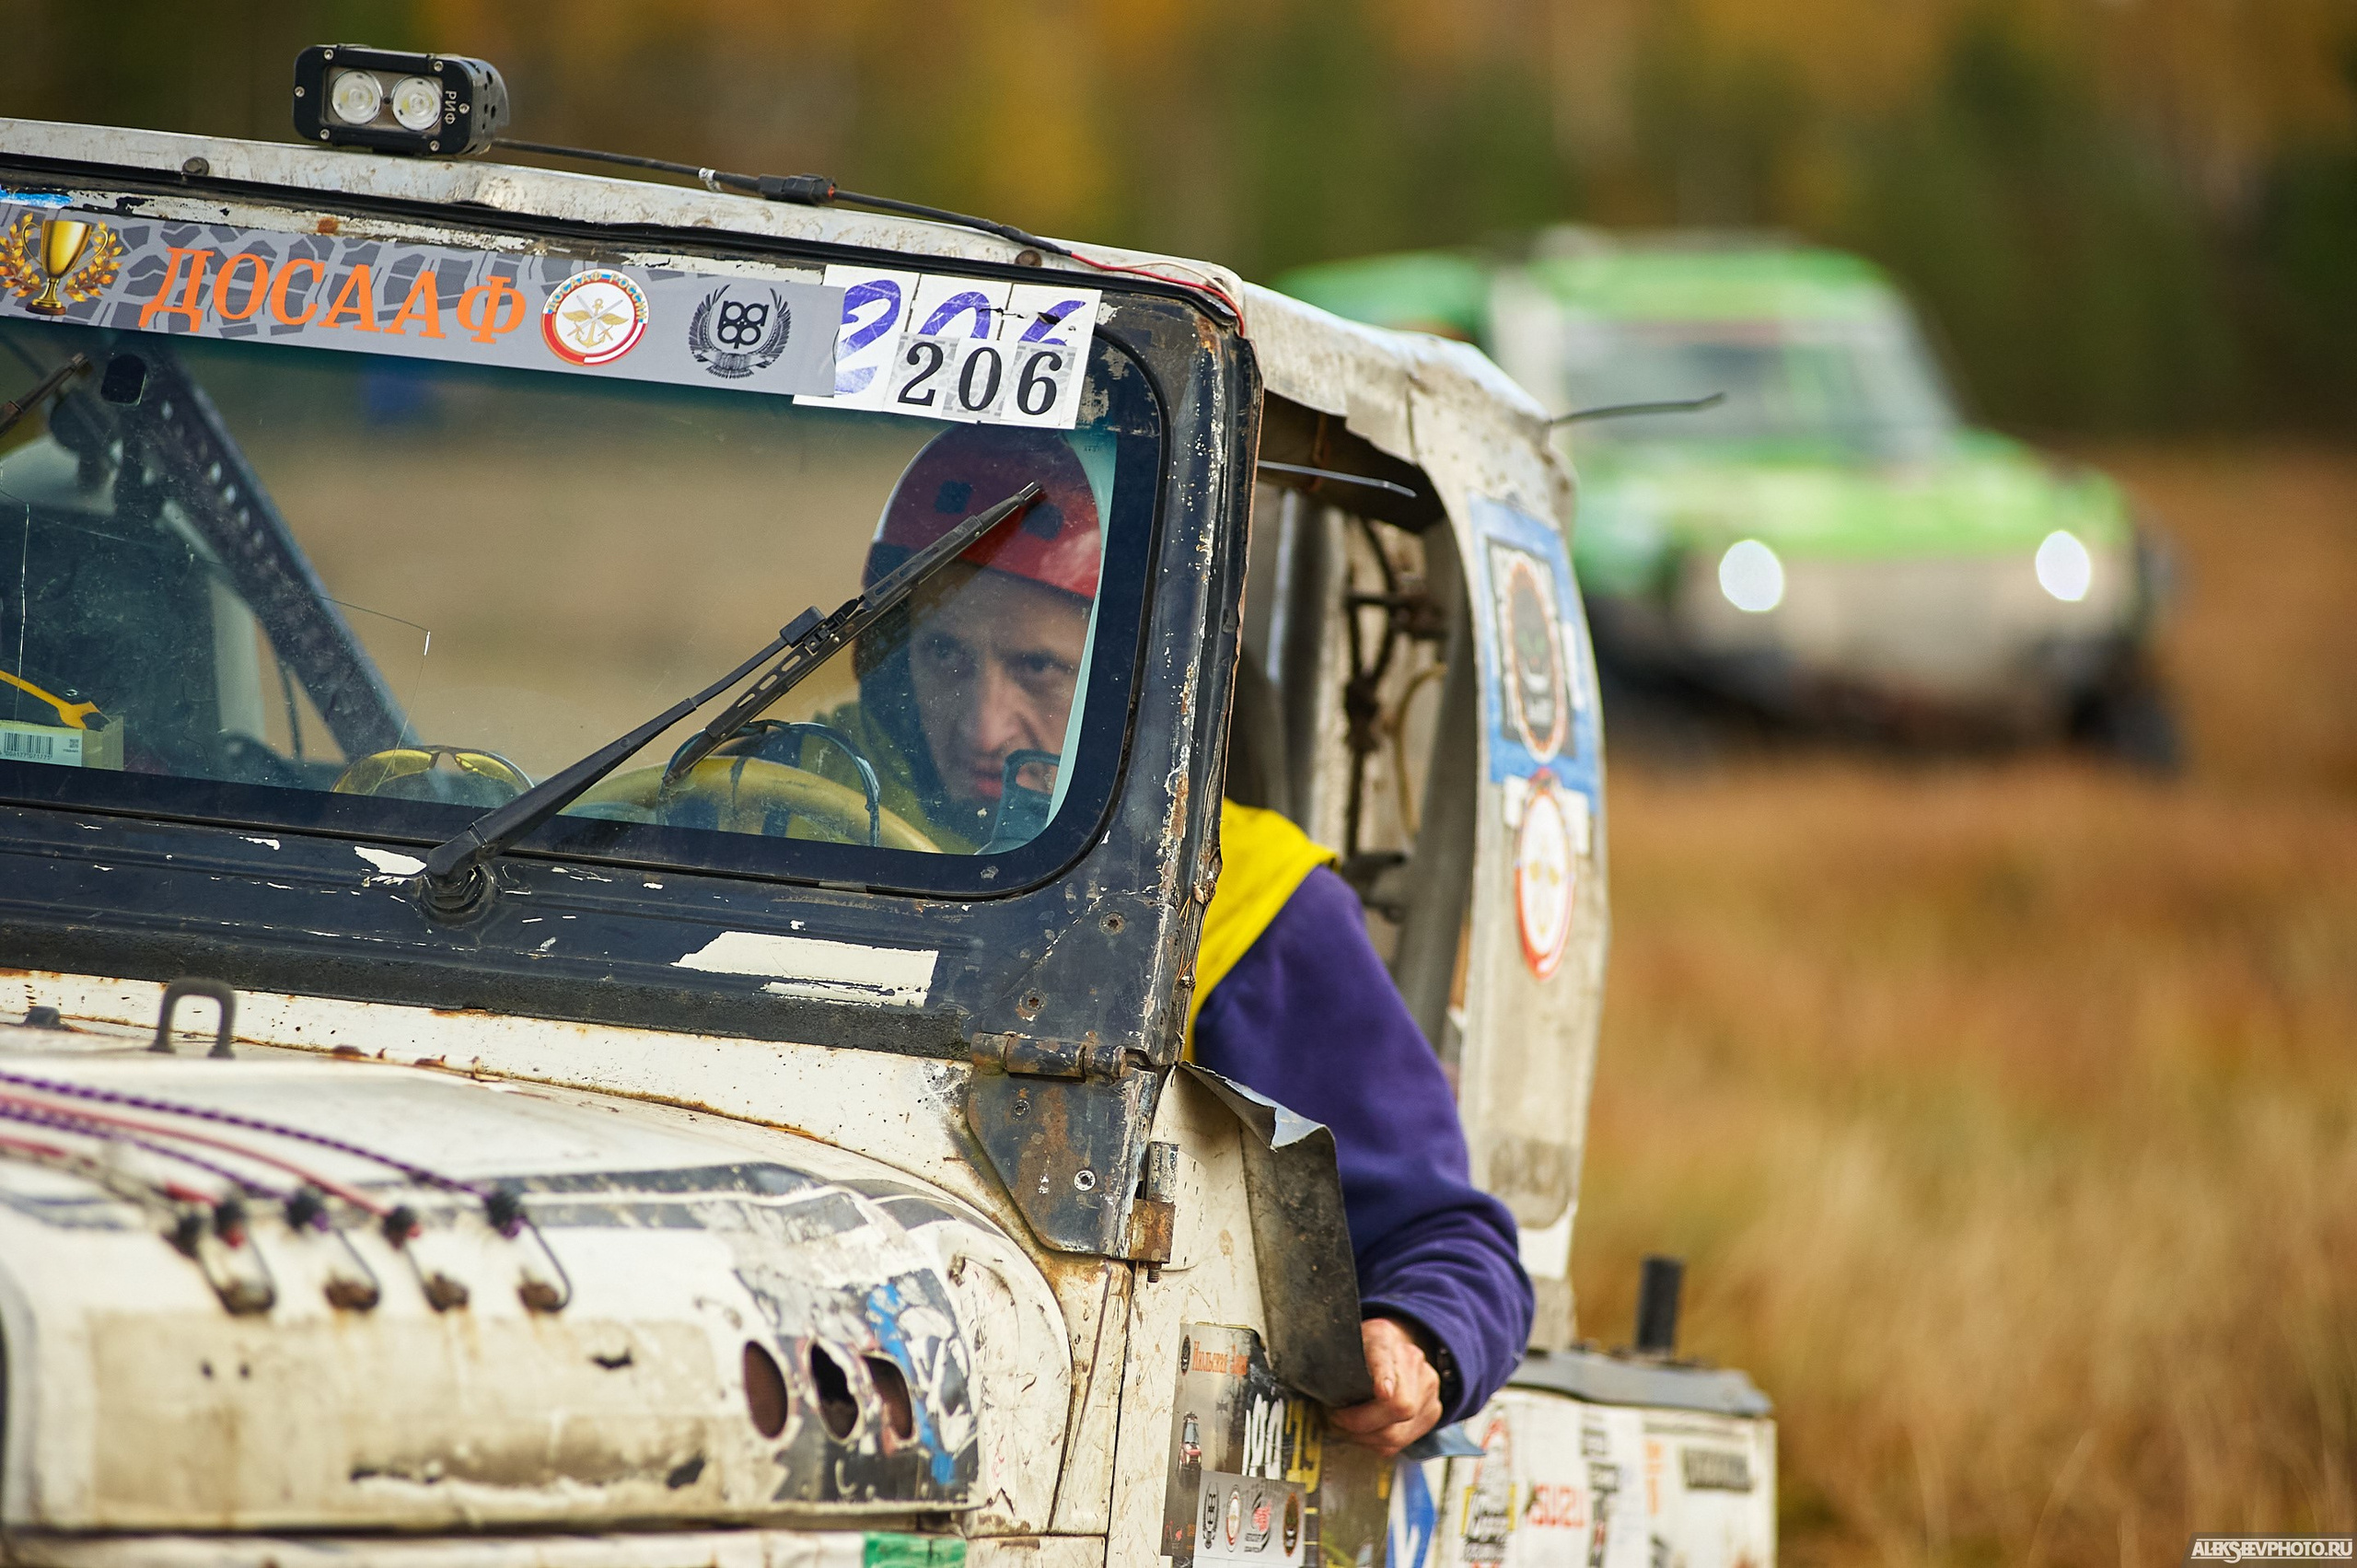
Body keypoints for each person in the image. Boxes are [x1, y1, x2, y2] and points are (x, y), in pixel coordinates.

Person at [838, 424, 1532, 1456]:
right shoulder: (786, 812)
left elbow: (1447, 1240)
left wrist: (1414, 1338)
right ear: (888, 660)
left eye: (1036, 667)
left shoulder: (1246, 900)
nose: (984, 725)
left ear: (1133, 675)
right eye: (945, 654)